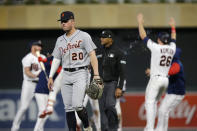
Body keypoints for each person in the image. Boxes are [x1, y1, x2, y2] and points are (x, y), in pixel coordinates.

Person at [47, 11, 100, 131]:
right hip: (65, 73)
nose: (63, 24)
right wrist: (51, 76)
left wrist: (96, 74)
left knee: (77, 105)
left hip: (81, 72)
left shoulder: (84, 36)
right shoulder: (60, 40)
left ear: (73, 21)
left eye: (65, 21)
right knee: (68, 108)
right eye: (62, 22)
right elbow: (56, 58)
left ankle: (86, 126)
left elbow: (92, 55)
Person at [137, 13, 176, 131]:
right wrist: (173, 27)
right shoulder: (172, 48)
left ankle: (149, 128)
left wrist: (140, 23)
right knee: (154, 103)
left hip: (156, 79)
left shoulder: (156, 47)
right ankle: (152, 128)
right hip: (165, 80)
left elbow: (143, 36)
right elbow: (173, 39)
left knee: (149, 102)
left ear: (159, 40)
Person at [11, 40, 45, 131]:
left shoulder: (43, 57)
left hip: (40, 85)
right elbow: (27, 72)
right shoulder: (28, 58)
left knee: (43, 109)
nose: (40, 47)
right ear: (32, 46)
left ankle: (39, 129)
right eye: (38, 45)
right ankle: (15, 127)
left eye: (40, 45)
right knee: (24, 107)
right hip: (29, 84)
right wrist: (37, 76)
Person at [98, 30, 127, 131]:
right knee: (102, 111)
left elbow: (122, 72)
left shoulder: (118, 52)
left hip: (112, 83)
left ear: (110, 39)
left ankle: (114, 128)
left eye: (104, 37)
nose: (101, 39)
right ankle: (105, 129)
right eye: (101, 37)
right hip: (100, 84)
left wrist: (120, 87)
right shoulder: (99, 51)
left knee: (110, 106)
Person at [155, 47, 185, 131]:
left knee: (162, 110)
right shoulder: (172, 62)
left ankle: (160, 129)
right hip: (172, 92)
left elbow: (170, 72)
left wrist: (157, 71)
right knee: (165, 111)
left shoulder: (176, 64)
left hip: (176, 93)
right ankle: (163, 129)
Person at [33, 54, 63, 131]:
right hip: (39, 91)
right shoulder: (47, 62)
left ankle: (39, 129)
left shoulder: (59, 68)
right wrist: (42, 60)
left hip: (47, 92)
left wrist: (42, 60)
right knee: (43, 111)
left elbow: (55, 65)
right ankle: (36, 129)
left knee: (45, 114)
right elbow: (47, 60)